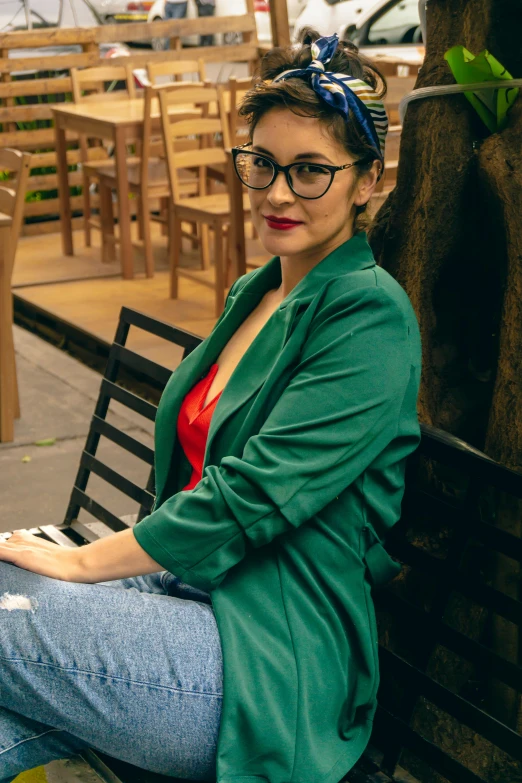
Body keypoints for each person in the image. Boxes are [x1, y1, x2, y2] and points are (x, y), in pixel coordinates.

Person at [0, 30, 421, 783]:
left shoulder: (370, 315)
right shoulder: (256, 290)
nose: (277, 192)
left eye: (311, 171)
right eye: (262, 164)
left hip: (270, 651)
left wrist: (84, 562)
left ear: (367, 183)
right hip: (181, 590)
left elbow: (250, 495)